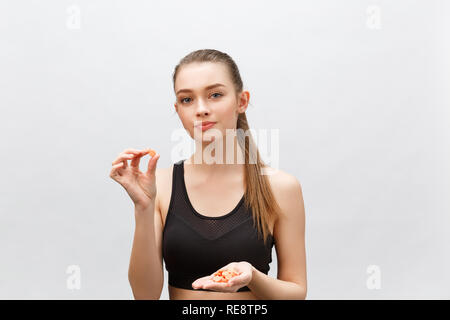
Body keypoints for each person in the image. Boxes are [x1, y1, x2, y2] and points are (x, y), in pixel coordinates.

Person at [109, 49, 307, 300]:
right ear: (178, 110)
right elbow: (144, 295)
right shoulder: (160, 185)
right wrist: (143, 208)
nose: (201, 109)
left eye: (215, 95)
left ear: (241, 101)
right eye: (187, 99)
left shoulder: (281, 187)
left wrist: (252, 276)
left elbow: (296, 292)